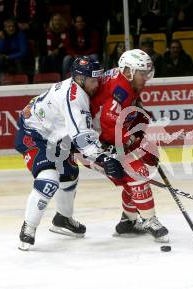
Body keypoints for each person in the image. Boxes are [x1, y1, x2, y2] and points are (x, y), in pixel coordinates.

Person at [14, 56, 124, 250]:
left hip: (55, 136)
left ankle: (62, 220)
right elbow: (81, 138)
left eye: (97, 79)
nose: (96, 84)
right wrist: (103, 158)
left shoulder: (83, 87)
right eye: (92, 80)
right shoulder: (75, 97)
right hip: (35, 133)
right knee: (49, 180)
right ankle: (28, 228)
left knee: (69, 176)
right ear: (80, 78)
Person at [89, 49, 169, 242]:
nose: (146, 78)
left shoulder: (126, 80)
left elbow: (122, 113)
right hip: (92, 144)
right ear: (128, 72)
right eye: (142, 73)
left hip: (106, 137)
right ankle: (149, 220)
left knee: (145, 162)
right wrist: (134, 140)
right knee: (136, 172)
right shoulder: (121, 88)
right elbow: (109, 126)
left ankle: (129, 221)